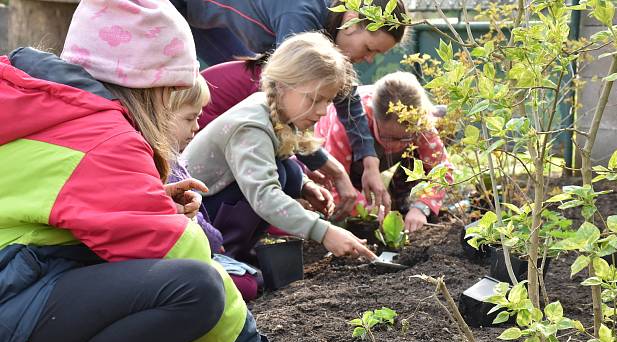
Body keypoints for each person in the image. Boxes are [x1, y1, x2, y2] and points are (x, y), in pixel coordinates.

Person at [0, 1, 265, 342]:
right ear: (154, 89)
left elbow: (38, 195)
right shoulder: (105, 138)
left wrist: (144, 200)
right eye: (172, 91)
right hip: (13, 296)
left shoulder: (37, 99)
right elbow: (179, 251)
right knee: (197, 287)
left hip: (14, 280)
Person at [171, 0, 410, 216]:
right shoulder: (301, 17)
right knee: (255, 92)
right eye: (369, 49)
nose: (369, 59)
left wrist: (370, 162)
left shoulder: (326, 26)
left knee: (283, 162)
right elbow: (285, 108)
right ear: (350, 23)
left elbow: (347, 95)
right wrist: (332, 170)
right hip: (179, 7)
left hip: (209, 22)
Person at [183, 32, 376, 265]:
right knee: (249, 285)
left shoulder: (278, 114)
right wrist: (324, 232)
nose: (323, 111)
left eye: (328, 100)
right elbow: (264, 196)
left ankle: (239, 250)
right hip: (194, 217)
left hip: (213, 205)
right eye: (315, 99)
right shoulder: (251, 126)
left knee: (289, 172)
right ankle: (223, 255)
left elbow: (278, 169)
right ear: (284, 86)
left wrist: (305, 186)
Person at [315, 72, 454, 232]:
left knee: (420, 156)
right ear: (373, 117)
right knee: (344, 202)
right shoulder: (345, 121)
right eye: (391, 138)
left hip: (382, 160)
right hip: (344, 161)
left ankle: (400, 202)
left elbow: (443, 170)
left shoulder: (419, 122)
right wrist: (369, 210)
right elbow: (335, 180)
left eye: (407, 137)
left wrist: (423, 206)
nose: (398, 145)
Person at [168, 74, 261, 301]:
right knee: (248, 284)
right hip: (179, 256)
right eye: (190, 119)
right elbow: (193, 219)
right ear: (162, 114)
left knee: (254, 279)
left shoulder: (175, 158)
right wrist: (216, 240)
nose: (197, 127)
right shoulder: (166, 166)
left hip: (195, 248)